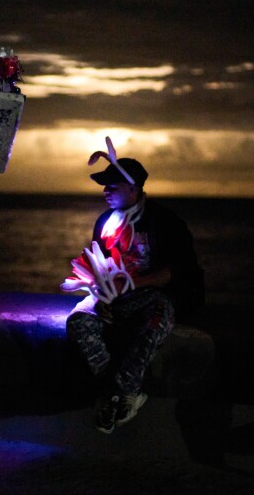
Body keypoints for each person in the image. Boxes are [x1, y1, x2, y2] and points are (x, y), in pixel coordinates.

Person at [63, 139, 204, 434]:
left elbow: (175, 270)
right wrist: (100, 295)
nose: (105, 190)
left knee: (158, 317)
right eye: (104, 185)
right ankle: (123, 393)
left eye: (112, 185)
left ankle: (112, 395)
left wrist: (132, 285)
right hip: (117, 294)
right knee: (78, 321)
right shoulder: (105, 221)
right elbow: (99, 266)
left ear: (133, 187)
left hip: (155, 293)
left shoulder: (164, 221)